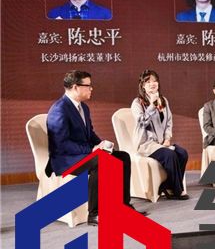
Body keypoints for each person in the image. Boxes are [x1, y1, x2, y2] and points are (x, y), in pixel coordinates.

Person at [46, 70, 146, 226]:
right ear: (75, 87)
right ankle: (94, 214)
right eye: (88, 85)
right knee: (100, 161)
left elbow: (90, 133)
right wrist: (92, 150)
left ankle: (123, 205)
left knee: (122, 157)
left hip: (82, 154)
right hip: (64, 159)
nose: (91, 88)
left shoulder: (84, 108)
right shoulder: (59, 109)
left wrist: (102, 145)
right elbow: (61, 144)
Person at [131, 69, 189, 200]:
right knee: (170, 155)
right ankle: (177, 190)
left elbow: (169, 121)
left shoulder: (163, 100)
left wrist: (167, 138)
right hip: (146, 144)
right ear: (143, 86)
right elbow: (142, 122)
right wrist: (152, 105)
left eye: (155, 81)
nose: (152, 84)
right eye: (148, 82)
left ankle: (167, 185)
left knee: (182, 153)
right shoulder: (137, 103)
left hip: (161, 142)